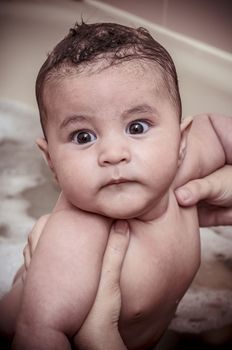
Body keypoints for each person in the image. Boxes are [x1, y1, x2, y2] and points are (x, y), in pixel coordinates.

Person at [0, 21, 231, 349]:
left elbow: (217, 129)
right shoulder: (76, 237)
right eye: (83, 136)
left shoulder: (181, 165)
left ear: (181, 141)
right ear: (51, 160)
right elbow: (36, 333)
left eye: (137, 127)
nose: (113, 154)